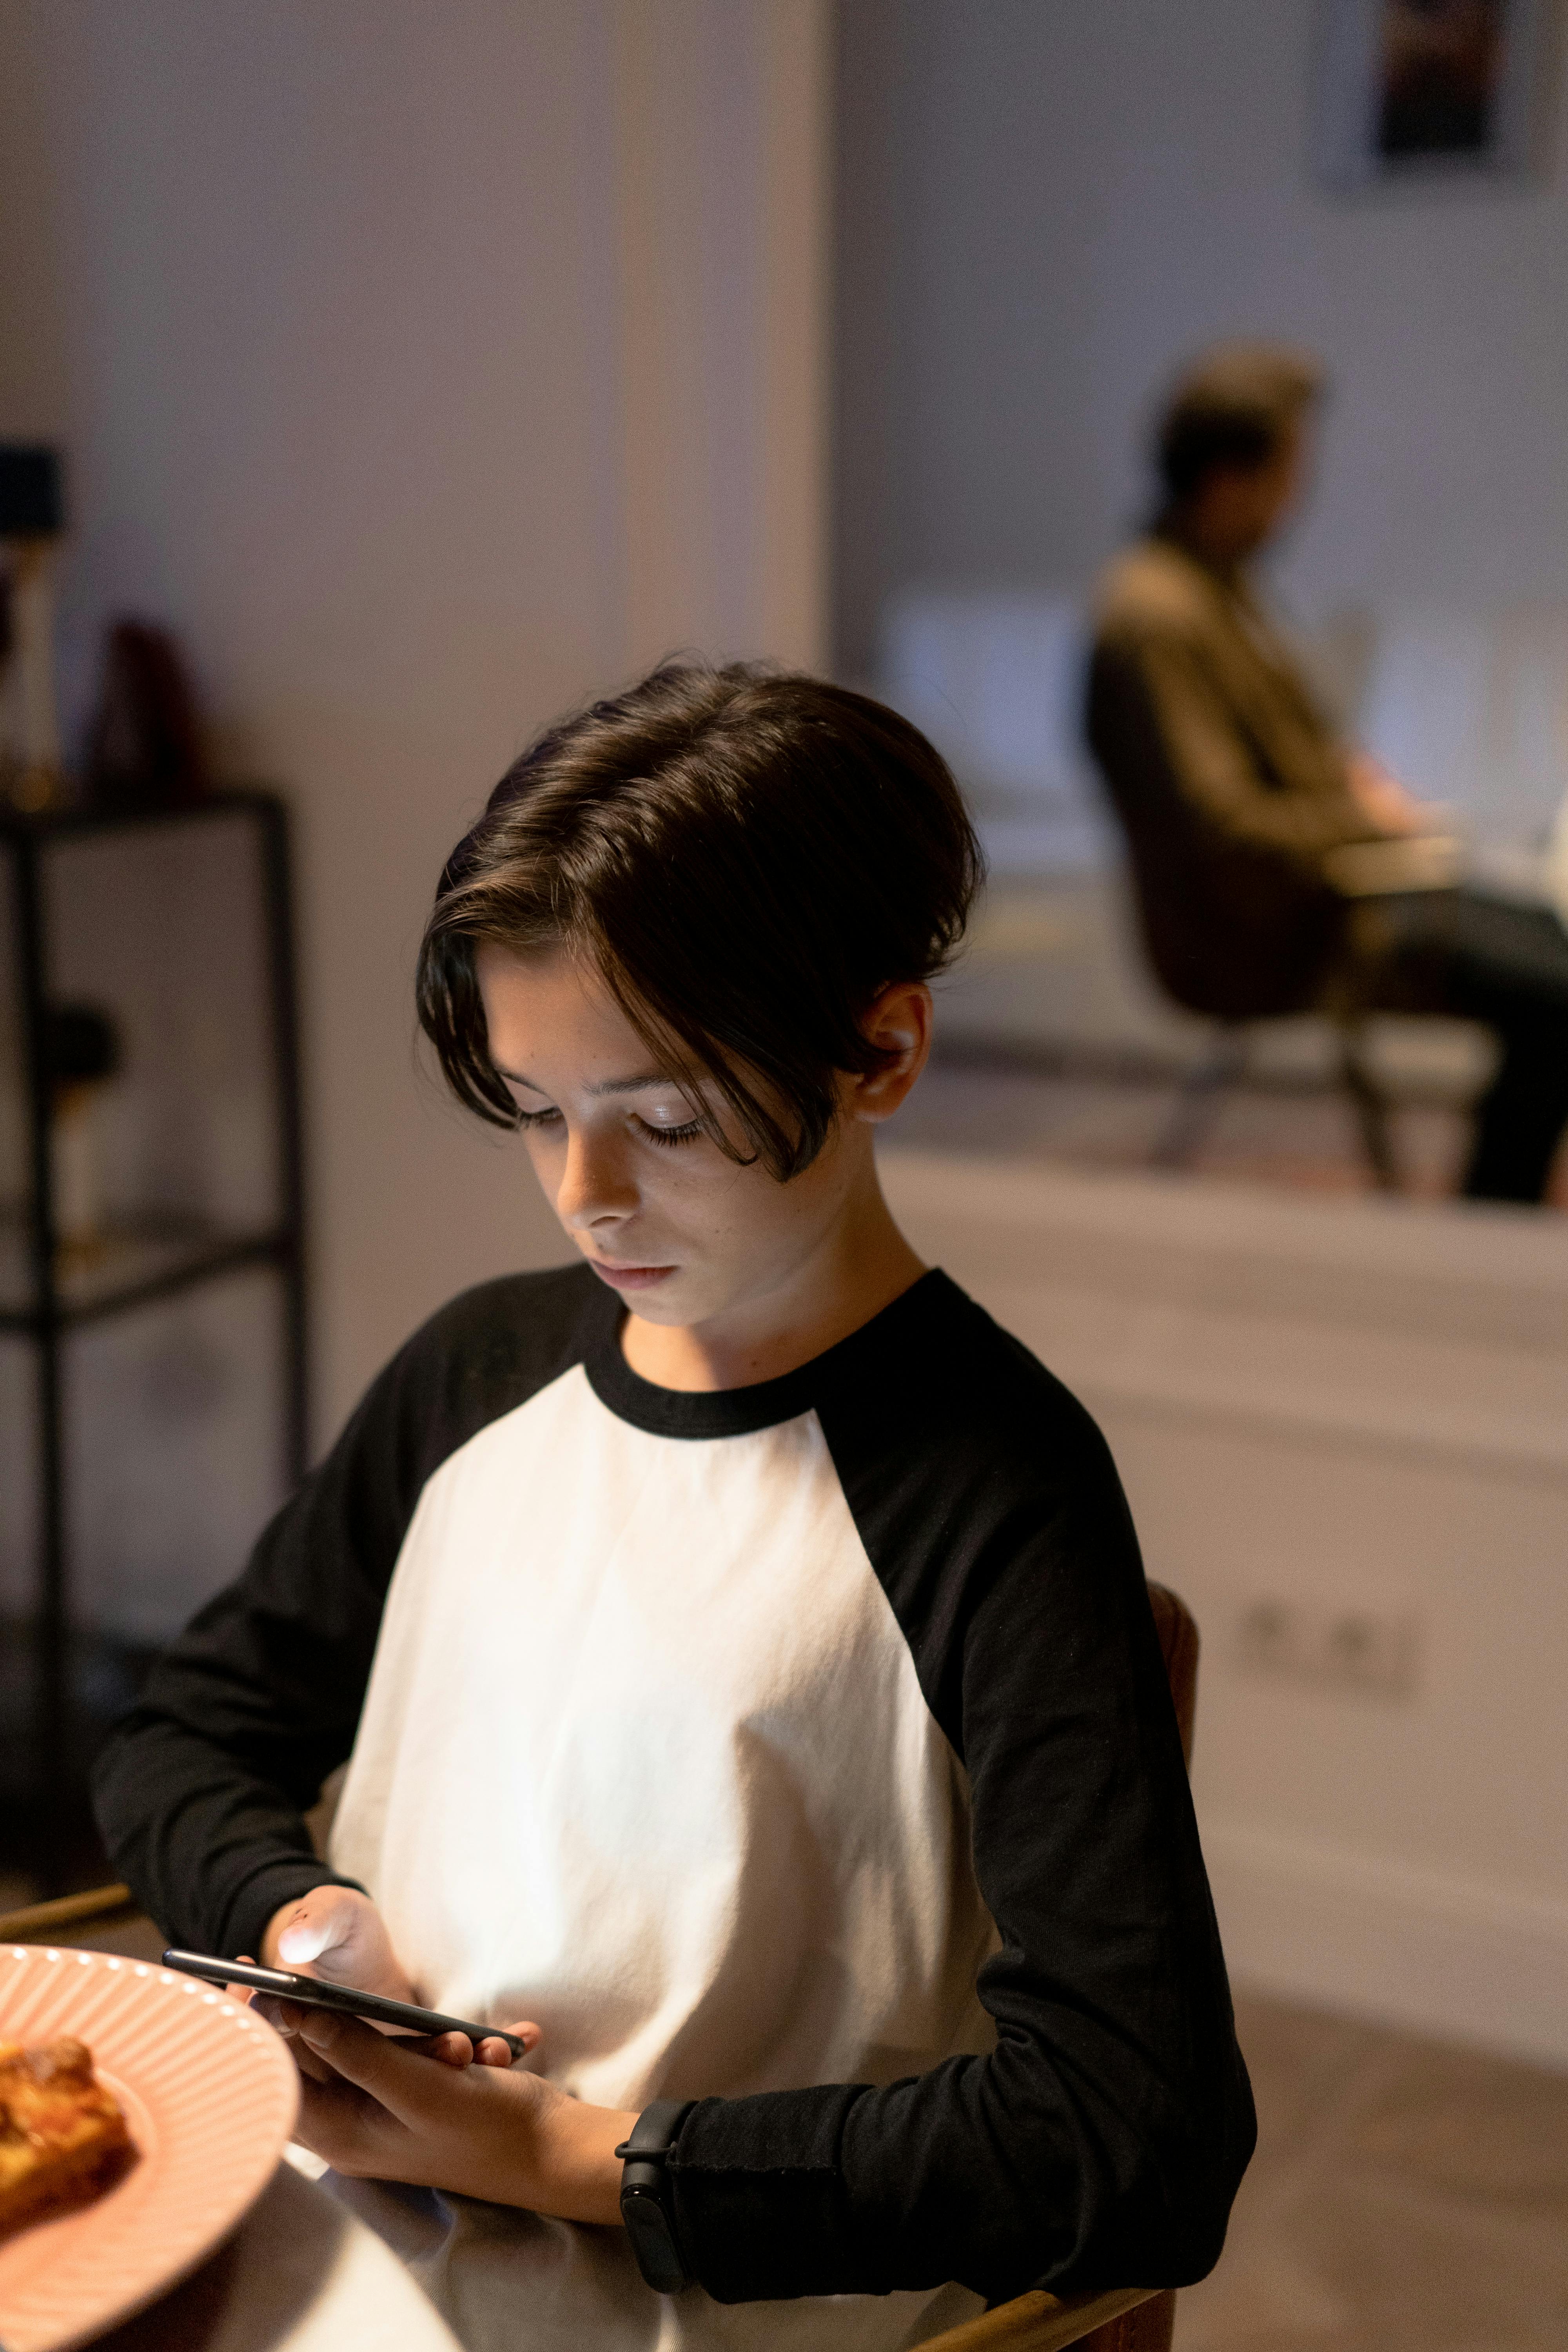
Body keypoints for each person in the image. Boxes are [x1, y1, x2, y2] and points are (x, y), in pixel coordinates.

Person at [95, 662, 1254, 2352]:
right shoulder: (479, 1371)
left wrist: (575, 2157)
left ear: (881, 1047)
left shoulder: (989, 1485)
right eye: (539, 1111)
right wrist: (302, 1916)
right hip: (334, 2255)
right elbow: (183, 1735)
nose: (589, 1196)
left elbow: (1136, 2137)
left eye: (663, 1116)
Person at [1085, 342, 1568, 1205]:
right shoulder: (1156, 616)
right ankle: (1493, 1220)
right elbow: (1221, 831)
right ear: (1230, 480)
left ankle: (1498, 1209)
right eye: (1286, 474)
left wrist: (1352, 795)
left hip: (1329, 892)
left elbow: (1272, 775)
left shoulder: (1212, 588)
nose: (1293, 499)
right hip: (1275, 931)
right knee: (1556, 992)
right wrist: (1365, 823)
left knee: (1549, 934)